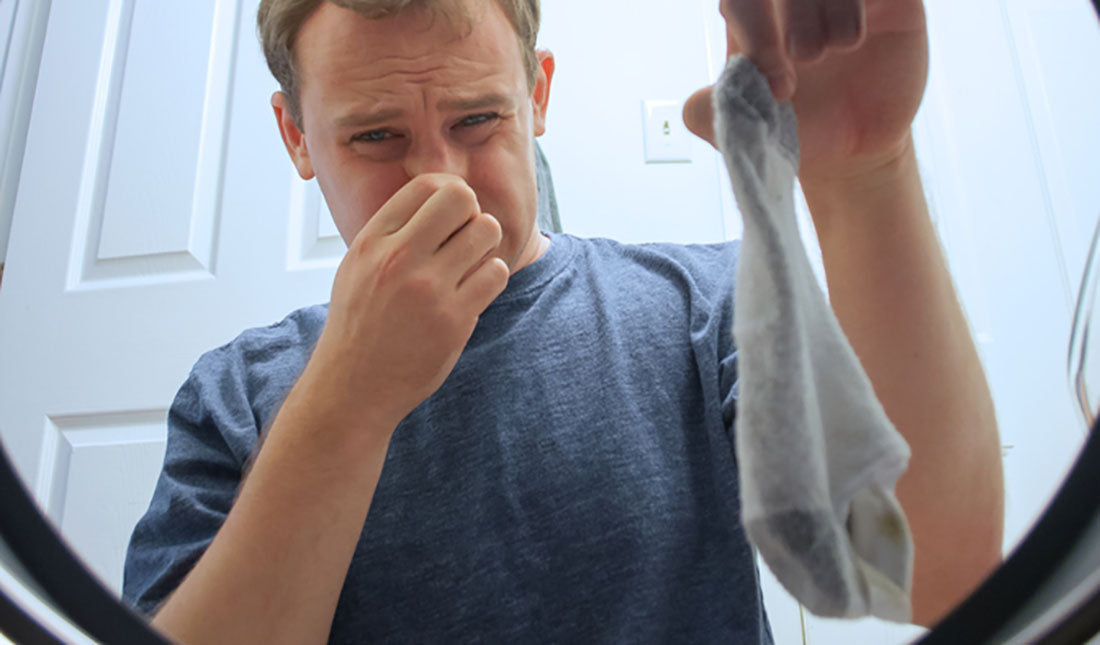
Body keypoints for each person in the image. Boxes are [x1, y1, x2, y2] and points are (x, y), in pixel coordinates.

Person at [123, 0, 1005, 642]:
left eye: (479, 118)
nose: (444, 181)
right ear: (296, 139)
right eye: (374, 138)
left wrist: (865, 169)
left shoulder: (699, 306)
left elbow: (937, 570)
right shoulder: (235, 397)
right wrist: (350, 401)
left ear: (538, 95)